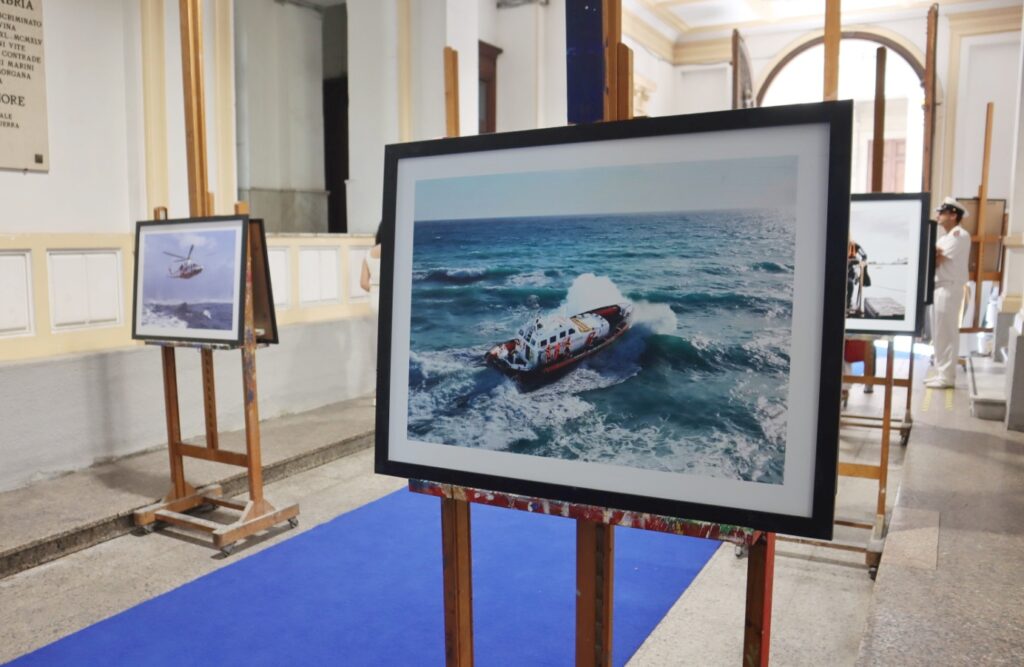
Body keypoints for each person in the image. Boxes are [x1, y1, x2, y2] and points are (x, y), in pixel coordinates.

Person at [926, 197, 971, 389]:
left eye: (942, 212)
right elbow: (933, 254)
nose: (938, 215)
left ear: (954, 215)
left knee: (947, 333)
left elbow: (936, 259)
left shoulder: (960, 235)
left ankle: (947, 377)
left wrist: (933, 254)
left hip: (949, 287)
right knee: (938, 334)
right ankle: (941, 372)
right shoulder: (944, 237)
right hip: (939, 287)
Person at [360, 223, 382, 314]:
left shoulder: (368, 254)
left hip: (374, 300)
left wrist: (375, 290)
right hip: (389, 300)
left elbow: (363, 283)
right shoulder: (393, 249)